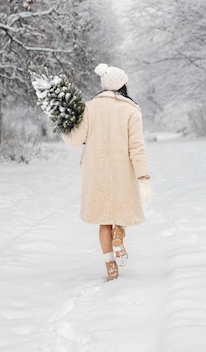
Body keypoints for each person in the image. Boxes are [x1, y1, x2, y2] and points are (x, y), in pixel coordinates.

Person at [63, 63, 152, 281]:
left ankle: (111, 267)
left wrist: (64, 123)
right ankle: (119, 235)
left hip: (95, 172)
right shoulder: (131, 110)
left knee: (104, 219)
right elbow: (136, 147)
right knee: (120, 211)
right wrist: (143, 177)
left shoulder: (88, 108)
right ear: (122, 85)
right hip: (123, 169)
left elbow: (74, 141)